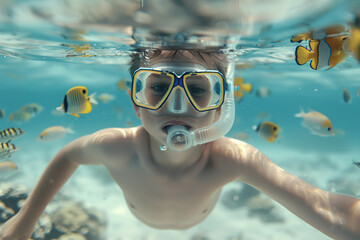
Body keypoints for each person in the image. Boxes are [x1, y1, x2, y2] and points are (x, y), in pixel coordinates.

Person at [1, 48, 360, 240]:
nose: (177, 105)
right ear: (136, 101)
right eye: (157, 87)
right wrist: (23, 222)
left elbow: (332, 212)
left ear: (222, 104)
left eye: (198, 89)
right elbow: (68, 155)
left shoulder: (231, 158)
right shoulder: (115, 146)